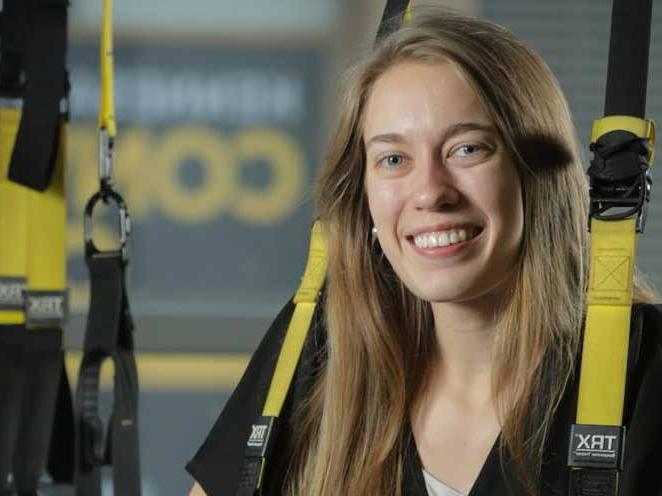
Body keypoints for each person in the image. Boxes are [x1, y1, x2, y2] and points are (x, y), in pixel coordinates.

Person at [187, 7, 662, 496]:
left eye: (468, 149)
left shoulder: (646, 370)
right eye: (393, 159)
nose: (430, 192)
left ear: (537, 174)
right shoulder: (320, 347)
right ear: (362, 195)